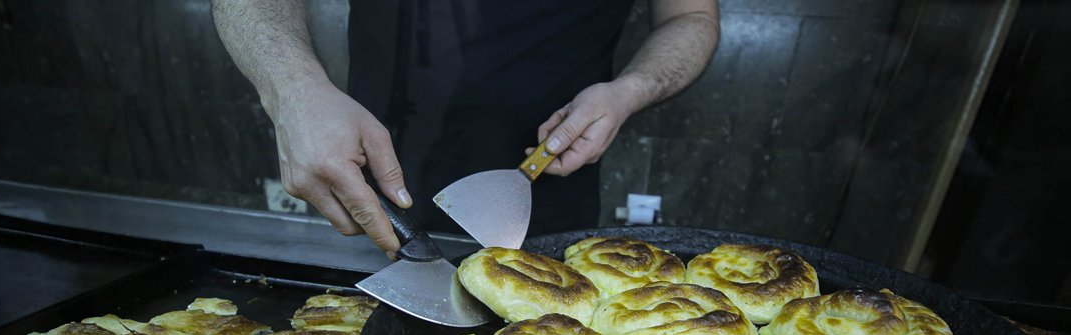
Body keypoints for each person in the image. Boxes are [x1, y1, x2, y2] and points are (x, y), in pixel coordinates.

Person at [213, 0, 720, 255]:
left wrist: (631, 89)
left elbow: (691, 15)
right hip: (359, 186)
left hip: (544, 198)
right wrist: (293, 91)